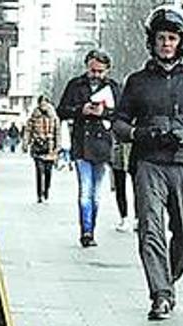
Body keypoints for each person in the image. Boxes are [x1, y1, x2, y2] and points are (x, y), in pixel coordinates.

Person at [112, 6, 183, 319]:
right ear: (152, 41)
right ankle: (160, 294)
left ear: (181, 42)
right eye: (161, 37)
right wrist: (139, 132)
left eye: (171, 38)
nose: (165, 43)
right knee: (150, 229)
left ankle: (168, 279)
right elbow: (118, 123)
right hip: (149, 163)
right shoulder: (136, 82)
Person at [57, 49, 123, 247]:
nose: (96, 75)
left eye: (100, 71)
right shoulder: (75, 85)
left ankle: (91, 227)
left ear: (107, 70)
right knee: (85, 190)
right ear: (87, 66)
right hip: (81, 144)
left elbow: (121, 114)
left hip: (103, 144)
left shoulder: (113, 87)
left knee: (96, 193)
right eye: (93, 70)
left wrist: (105, 112)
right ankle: (86, 231)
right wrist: (81, 110)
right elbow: (61, 110)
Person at [24, 96, 59, 203]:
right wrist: (26, 142)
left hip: (50, 148)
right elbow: (28, 130)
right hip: (37, 147)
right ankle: (39, 194)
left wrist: (58, 147)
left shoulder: (54, 117)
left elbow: (57, 133)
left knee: (48, 172)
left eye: (45, 103)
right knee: (39, 171)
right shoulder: (34, 116)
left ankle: (46, 191)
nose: (43, 105)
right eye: (41, 103)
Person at [111, 131, 133, 230]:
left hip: (132, 150)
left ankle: (133, 218)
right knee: (120, 187)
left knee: (138, 187)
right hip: (119, 151)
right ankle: (124, 217)